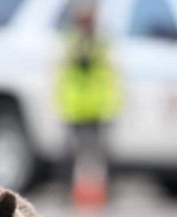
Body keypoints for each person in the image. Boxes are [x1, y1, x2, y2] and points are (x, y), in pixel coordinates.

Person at [54, 3, 120, 189]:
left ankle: (103, 192)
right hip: (75, 106)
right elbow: (63, 72)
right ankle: (67, 190)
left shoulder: (100, 41)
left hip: (96, 106)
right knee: (70, 153)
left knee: (102, 154)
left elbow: (109, 74)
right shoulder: (71, 40)